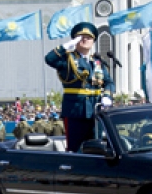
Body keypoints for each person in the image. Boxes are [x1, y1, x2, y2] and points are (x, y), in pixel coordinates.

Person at [44, 21, 114, 152]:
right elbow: (49, 59)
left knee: (97, 147)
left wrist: (107, 96)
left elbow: (109, 82)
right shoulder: (68, 59)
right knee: (75, 149)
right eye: (81, 37)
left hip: (95, 111)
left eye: (89, 37)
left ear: (93, 41)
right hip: (75, 112)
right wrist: (64, 47)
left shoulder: (97, 62)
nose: (85, 39)